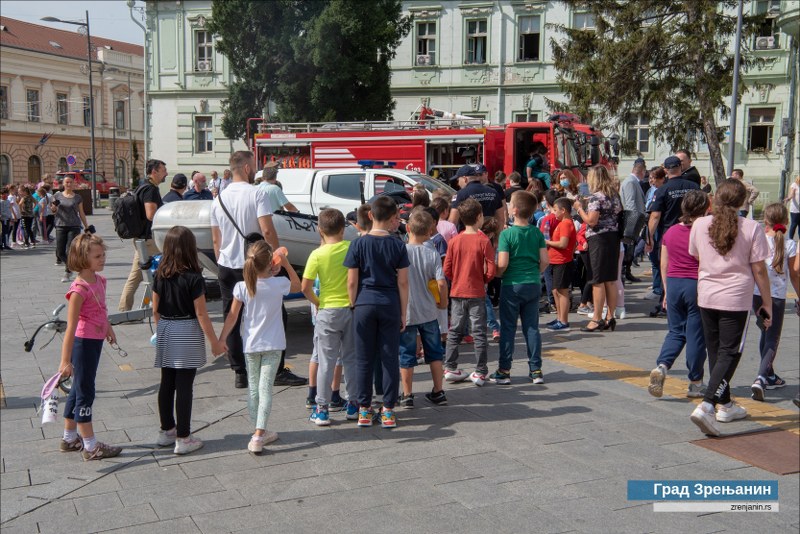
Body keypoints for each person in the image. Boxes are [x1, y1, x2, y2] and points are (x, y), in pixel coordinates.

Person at [688, 179, 772, 437]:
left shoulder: (700, 224)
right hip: (735, 298)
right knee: (730, 352)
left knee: (716, 351)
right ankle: (707, 405)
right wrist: (767, 302)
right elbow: (759, 268)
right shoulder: (750, 227)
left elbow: (696, 255)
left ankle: (725, 404)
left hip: (707, 295)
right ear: (742, 201)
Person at [210, 151, 301, 389]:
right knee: (274, 313)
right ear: (248, 168)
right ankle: (277, 369)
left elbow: (215, 238)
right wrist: (275, 258)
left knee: (232, 315)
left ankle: (240, 371)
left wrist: (222, 260)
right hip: (257, 264)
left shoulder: (218, 199)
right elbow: (267, 231)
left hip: (228, 265)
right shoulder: (257, 193)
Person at [217, 241, 301, 453]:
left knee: (254, 389)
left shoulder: (242, 287)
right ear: (271, 263)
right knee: (265, 389)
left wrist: (221, 339)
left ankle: (258, 430)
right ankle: (259, 434)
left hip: (250, 345)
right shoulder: (279, 283)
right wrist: (287, 264)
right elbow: (298, 286)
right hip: (273, 345)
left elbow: (233, 316)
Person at [151, 226, 220, 455]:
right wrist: (214, 341)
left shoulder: (159, 274)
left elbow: (155, 309)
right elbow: (201, 313)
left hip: (166, 327)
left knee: (166, 382)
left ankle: (166, 430)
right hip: (187, 329)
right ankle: (184, 436)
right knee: (184, 386)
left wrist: (161, 330)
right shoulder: (194, 278)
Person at [344, 195, 410, 428]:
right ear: (394, 218)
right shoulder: (398, 245)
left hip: (363, 303)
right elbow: (403, 283)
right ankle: (388, 410)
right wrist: (403, 312)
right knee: (389, 357)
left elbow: (351, 281)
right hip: (389, 303)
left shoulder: (357, 244)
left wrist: (353, 304)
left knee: (364, 358)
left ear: (370, 216)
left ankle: (364, 409)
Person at [57, 233, 123, 460]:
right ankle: (91, 446)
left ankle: (69, 438)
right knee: (86, 391)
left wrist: (108, 328)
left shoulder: (99, 280)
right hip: (83, 344)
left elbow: (102, 310)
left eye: (103, 255)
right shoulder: (78, 290)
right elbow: (71, 327)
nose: (102, 259)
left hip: (95, 342)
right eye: (97, 256)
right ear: (82, 258)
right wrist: (65, 361)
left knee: (77, 390)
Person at [648, 190, 709, 399]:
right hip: (695, 285)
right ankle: (695, 382)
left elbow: (664, 263)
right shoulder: (704, 231)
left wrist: (665, 290)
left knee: (675, 332)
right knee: (695, 336)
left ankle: (662, 366)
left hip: (673, 284)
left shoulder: (671, 231)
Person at [301, 209, 358, 425]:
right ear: (343, 229)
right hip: (350, 309)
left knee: (326, 360)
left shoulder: (317, 254)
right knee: (351, 359)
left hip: (327, 310)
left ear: (320, 229)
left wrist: (318, 303)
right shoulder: (351, 248)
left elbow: (305, 287)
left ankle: (322, 408)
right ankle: (353, 405)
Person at [490, 190, 548, 385]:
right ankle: (536, 370)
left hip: (512, 285)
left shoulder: (507, 234)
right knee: (531, 328)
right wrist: (534, 272)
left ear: (514, 210)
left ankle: (504, 370)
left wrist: (496, 273)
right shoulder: (537, 232)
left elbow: (504, 263)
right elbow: (545, 261)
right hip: (532, 283)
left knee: (508, 328)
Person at [442, 198, 496, 386]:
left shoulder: (455, 241)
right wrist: (483, 280)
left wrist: (456, 278)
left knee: (455, 330)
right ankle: (480, 371)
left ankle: (449, 367)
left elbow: (447, 268)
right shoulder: (483, 241)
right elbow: (491, 269)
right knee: (479, 332)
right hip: (476, 291)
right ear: (479, 216)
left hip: (457, 291)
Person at [398, 211, 449, 407]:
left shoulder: (401, 252)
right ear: (430, 231)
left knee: (406, 354)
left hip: (407, 311)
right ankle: (438, 390)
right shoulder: (432, 253)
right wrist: (443, 303)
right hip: (429, 311)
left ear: (408, 228)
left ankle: (408, 394)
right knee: (434, 352)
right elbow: (441, 283)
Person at [750, 203, 798, 401]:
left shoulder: (758, 242)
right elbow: (795, 274)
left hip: (756, 295)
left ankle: (769, 374)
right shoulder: (789, 245)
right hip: (776, 297)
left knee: (765, 331)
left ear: (766, 222)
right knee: (772, 339)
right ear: (787, 222)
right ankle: (760, 378)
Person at [646, 155, 700, 313]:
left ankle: (668, 300)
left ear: (666, 170)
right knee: (692, 265)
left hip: (669, 234)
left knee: (668, 267)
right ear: (680, 167)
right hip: (692, 232)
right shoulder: (693, 186)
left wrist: (649, 238)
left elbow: (655, 216)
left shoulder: (663, 189)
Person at [573, 166, 622, 332]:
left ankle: (596, 318)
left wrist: (579, 208)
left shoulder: (596, 198)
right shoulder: (614, 195)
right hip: (613, 238)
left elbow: (591, 221)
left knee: (597, 279)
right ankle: (610, 316)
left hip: (598, 239)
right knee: (610, 279)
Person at [118, 159, 166, 311]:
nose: (165, 173)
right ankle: (162, 306)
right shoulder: (150, 189)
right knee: (167, 267)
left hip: (142, 239)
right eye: (163, 170)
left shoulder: (142, 186)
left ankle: (125, 309)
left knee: (137, 275)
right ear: (154, 172)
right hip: (148, 241)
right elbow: (151, 214)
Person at [544, 197, 577, 332]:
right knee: (556, 290)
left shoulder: (565, 224)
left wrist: (548, 242)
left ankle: (563, 320)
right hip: (556, 260)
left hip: (562, 261)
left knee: (562, 291)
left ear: (563, 210)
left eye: (556, 210)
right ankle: (559, 318)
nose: (554, 213)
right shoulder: (562, 223)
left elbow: (563, 244)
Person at [52, 177, 89, 283]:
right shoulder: (57, 196)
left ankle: (67, 272)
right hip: (60, 225)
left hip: (74, 226)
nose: (68, 184)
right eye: (66, 182)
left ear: (74, 184)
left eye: (70, 182)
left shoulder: (78, 197)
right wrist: (54, 208)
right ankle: (75, 267)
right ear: (63, 184)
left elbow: (81, 213)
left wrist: (86, 227)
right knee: (60, 252)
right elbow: (53, 210)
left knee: (69, 250)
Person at [448, 164, 504, 232]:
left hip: (468, 237)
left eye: (458, 180)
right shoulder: (493, 192)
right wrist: (497, 239)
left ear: (465, 179)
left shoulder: (460, 194)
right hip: (489, 237)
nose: (458, 184)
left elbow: (452, 222)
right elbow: (500, 218)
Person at [620, 160, 647, 283]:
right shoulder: (631, 182)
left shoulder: (632, 181)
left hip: (633, 221)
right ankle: (625, 273)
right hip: (631, 222)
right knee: (627, 248)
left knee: (630, 248)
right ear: (642, 172)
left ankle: (627, 272)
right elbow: (630, 204)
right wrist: (634, 224)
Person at [16, 185, 37, 249]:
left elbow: (19, 204)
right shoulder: (31, 197)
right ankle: (33, 242)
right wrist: (32, 209)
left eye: (21, 192)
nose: (20, 193)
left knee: (25, 229)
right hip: (30, 215)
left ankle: (27, 243)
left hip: (24, 215)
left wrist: (21, 210)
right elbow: (36, 202)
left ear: (25, 192)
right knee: (29, 229)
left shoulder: (24, 198)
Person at [783, 174, 800, 240]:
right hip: (795, 209)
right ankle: (790, 239)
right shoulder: (794, 185)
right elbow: (792, 194)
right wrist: (788, 198)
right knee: (794, 225)